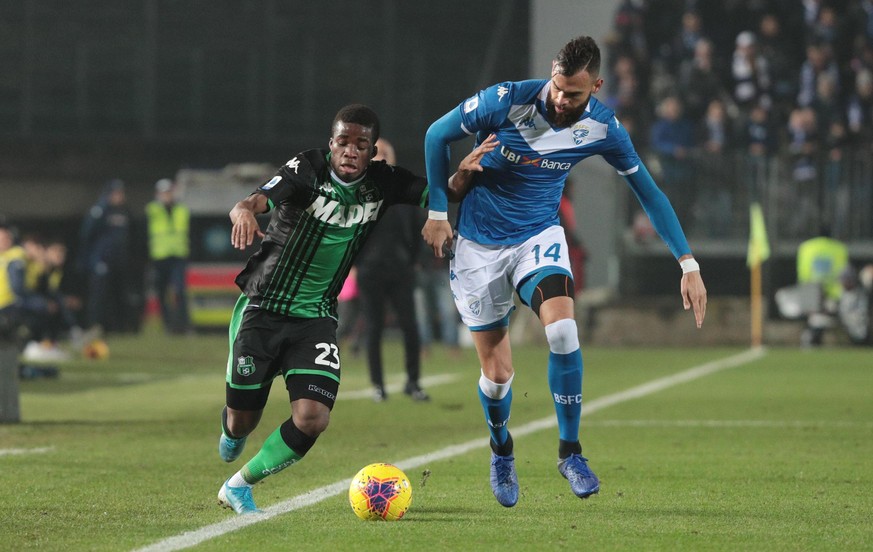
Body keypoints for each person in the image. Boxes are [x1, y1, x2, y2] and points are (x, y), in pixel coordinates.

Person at [422, 35, 707, 507]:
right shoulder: (507, 99)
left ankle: (570, 452)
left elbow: (649, 193)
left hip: (538, 236)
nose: (560, 99)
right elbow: (436, 135)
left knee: (563, 333)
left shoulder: (604, 128)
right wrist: (436, 212)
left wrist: (687, 262)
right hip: (478, 244)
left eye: (572, 93)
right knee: (497, 376)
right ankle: (501, 450)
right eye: (556, 88)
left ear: (595, 86)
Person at [216, 104, 473, 515]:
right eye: (342, 142)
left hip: (315, 317)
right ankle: (232, 428)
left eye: (360, 145)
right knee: (241, 423)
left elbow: (443, 192)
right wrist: (244, 208)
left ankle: (239, 485)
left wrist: (465, 172)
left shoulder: (383, 182)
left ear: (372, 152)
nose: (350, 151)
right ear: (331, 143)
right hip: (263, 307)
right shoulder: (307, 168)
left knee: (312, 418)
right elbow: (261, 198)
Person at [354, 138, 429, 402]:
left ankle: (413, 382)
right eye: (376, 153)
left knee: (410, 326)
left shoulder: (405, 191)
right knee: (373, 328)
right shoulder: (358, 192)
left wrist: (416, 259)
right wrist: (354, 265)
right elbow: (350, 234)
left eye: (386, 151)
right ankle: (378, 385)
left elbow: (420, 227)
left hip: (401, 270)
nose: (382, 157)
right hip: (370, 270)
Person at [77, 179, 133, 332]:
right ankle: (94, 325)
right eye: (116, 193)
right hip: (100, 261)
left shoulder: (123, 211)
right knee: (98, 296)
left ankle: (115, 326)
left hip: (117, 261)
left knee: (116, 295)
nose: (120, 196)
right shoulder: (99, 211)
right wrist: (91, 259)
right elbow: (87, 236)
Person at [145, 178, 191, 334]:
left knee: (179, 291)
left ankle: (183, 326)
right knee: (162, 292)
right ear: (158, 194)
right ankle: (168, 325)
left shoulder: (182, 210)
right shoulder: (152, 210)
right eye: (164, 193)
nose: (167, 195)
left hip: (178, 256)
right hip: (159, 257)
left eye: (169, 192)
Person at [796, 226, 849, 346]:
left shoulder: (806, 247)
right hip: (833, 293)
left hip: (811, 292)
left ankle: (811, 337)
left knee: (815, 319)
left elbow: (802, 271)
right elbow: (843, 272)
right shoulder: (839, 248)